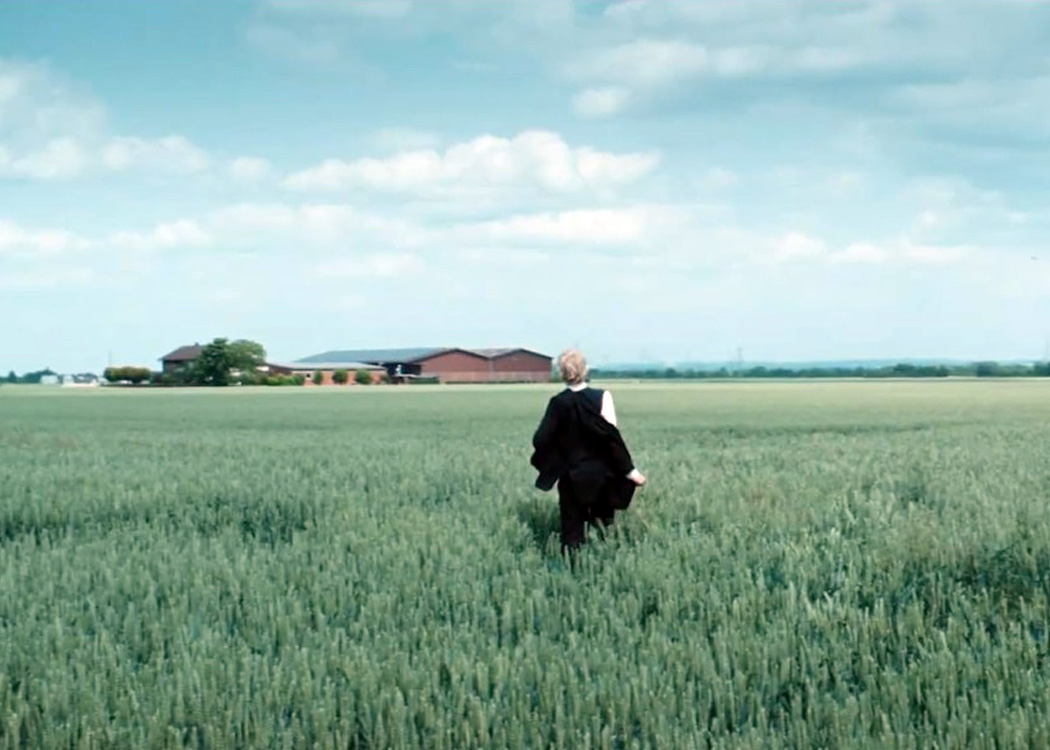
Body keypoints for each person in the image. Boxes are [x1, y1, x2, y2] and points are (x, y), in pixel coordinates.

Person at [530, 349, 646, 553]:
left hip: (571, 477)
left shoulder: (557, 403)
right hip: (602, 476)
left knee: (572, 536)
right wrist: (630, 471)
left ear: (562, 372)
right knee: (603, 531)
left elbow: (540, 439)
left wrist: (552, 464)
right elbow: (612, 439)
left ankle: (572, 566)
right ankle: (605, 565)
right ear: (585, 370)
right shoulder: (602, 397)